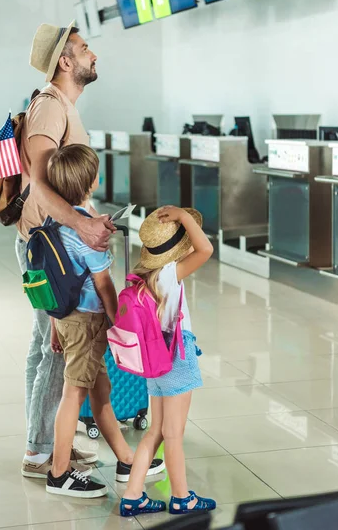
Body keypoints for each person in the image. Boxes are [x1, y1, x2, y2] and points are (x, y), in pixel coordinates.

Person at [16, 20, 115, 478]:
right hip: (53, 249)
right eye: (84, 47)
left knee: (46, 344)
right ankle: (40, 452)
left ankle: (44, 441)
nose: (92, 53)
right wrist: (83, 225)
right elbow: (39, 181)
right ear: (65, 60)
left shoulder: (62, 107)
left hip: (55, 244)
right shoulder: (50, 107)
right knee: (60, 344)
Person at [43, 143, 165, 498]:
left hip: (67, 319)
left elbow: (58, 279)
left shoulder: (58, 221)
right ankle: (60, 473)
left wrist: (54, 325)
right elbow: (105, 286)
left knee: (101, 394)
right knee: (74, 394)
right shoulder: (90, 237)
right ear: (92, 183)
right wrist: (121, 323)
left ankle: (126, 459)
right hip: (86, 324)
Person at [120, 206, 217, 517]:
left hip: (155, 357)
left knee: (156, 431)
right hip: (175, 356)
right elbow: (206, 249)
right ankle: (181, 497)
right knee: (174, 433)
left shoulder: (144, 276)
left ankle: (133, 496)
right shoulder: (170, 274)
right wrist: (185, 218)